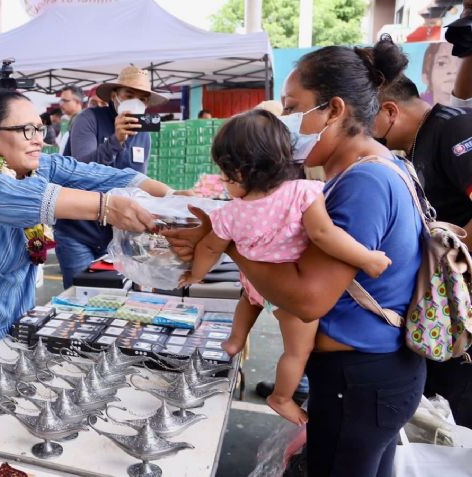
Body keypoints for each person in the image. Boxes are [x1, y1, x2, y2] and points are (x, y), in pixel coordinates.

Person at [165, 36, 424, 477]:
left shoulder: (363, 184)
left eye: (292, 107)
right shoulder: (366, 169)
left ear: (334, 110)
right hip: (368, 375)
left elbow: (308, 300)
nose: (284, 122)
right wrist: (225, 230)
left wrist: (232, 243)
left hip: (360, 378)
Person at [0, 91, 171, 379]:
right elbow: (25, 198)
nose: (39, 139)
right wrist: (107, 207)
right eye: (26, 130)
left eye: (40, 128)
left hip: (12, 318)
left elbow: (101, 174)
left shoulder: (39, 165)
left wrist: (172, 196)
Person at [183, 109, 392, 424]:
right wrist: (366, 258)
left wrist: (194, 274)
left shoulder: (229, 214)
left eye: (224, 175)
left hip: (256, 284)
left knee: (248, 301)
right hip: (287, 293)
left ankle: (235, 339)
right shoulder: (302, 193)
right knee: (297, 352)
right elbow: (324, 235)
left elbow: (210, 248)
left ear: (238, 172)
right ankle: (281, 398)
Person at [374, 75, 472, 427]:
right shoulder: (416, 144)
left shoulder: (453, 129)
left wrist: (443, 272)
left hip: (457, 302)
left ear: (389, 111)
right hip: (437, 308)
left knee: (458, 415)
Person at [54, 65, 169, 288]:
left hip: (117, 236)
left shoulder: (143, 133)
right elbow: (82, 172)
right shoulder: (88, 120)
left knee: (115, 298)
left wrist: (167, 199)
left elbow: (136, 180)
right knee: (81, 296)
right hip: (78, 231)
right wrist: (116, 140)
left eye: (142, 99)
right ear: (115, 96)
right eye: (129, 96)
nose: (136, 102)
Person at [57, 85, 85, 155]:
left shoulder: (83, 123)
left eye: (65, 101)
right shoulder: (70, 121)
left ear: (78, 102)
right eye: (61, 101)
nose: (61, 104)